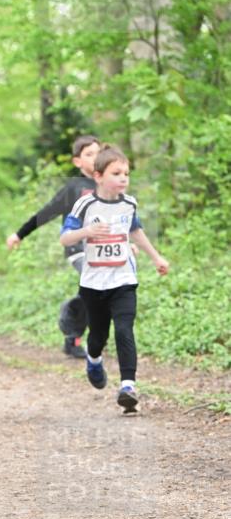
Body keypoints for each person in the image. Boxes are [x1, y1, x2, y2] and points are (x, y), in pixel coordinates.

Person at [60, 144, 169, 411]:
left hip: (123, 278)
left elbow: (136, 231)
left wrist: (156, 257)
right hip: (94, 282)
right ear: (98, 176)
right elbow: (65, 237)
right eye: (117, 173)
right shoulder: (85, 203)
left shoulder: (129, 203)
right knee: (98, 336)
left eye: (127, 173)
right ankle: (93, 358)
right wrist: (88, 231)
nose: (123, 178)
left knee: (124, 329)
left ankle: (128, 386)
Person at [6, 135, 101, 358]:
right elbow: (46, 212)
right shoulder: (74, 187)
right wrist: (20, 234)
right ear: (77, 161)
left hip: (101, 248)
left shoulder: (107, 184)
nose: (95, 158)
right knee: (93, 282)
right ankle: (70, 312)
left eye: (98, 152)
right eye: (89, 154)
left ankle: (72, 340)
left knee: (95, 291)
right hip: (77, 247)